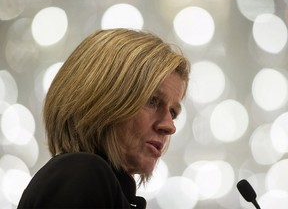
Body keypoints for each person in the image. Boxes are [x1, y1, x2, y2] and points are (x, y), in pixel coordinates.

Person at [18, 28, 190, 209]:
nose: (170, 126)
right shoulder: (82, 174)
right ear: (102, 99)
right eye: (151, 101)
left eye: (173, 113)